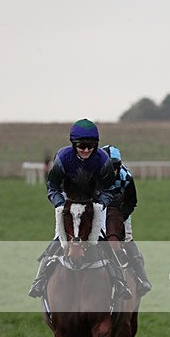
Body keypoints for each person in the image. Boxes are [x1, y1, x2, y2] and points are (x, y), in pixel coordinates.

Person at [28, 119, 131, 299]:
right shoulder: (62, 158)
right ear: (74, 144)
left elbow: (108, 190)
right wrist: (60, 204)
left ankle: (120, 282)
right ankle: (39, 280)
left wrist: (100, 204)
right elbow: (52, 186)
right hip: (68, 202)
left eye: (91, 146)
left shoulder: (103, 160)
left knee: (103, 239)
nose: (86, 150)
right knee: (57, 240)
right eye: (81, 145)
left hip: (94, 202)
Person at [101, 145, 152, 295]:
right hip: (99, 209)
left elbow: (132, 202)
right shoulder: (94, 175)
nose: (113, 171)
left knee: (127, 238)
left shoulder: (126, 177)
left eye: (115, 167)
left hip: (121, 210)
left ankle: (141, 277)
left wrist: (120, 218)